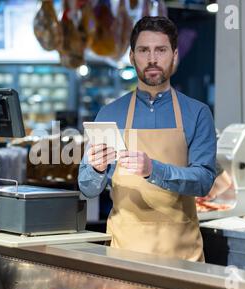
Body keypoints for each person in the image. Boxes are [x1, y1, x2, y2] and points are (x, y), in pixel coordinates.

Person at [78, 16, 217, 262]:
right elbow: (87, 188)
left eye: (160, 50)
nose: (152, 59)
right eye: (144, 50)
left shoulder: (197, 113)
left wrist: (153, 169)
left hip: (182, 255)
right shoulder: (109, 114)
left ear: (174, 55)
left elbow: (204, 181)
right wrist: (96, 169)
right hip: (123, 253)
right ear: (132, 57)